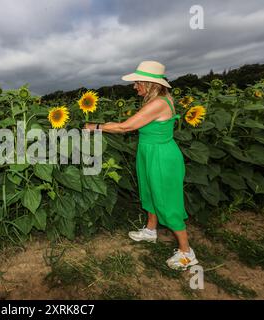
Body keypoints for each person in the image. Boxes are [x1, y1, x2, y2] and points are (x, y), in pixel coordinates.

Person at [84, 61, 198, 270]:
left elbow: (125, 127)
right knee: (149, 192)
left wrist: (95, 127)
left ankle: (186, 252)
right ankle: (150, 230)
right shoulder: (154, 100)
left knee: (167, 200)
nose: (135, 86)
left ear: (150, 83)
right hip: (149, 152)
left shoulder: (159, 103)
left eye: (137, 83)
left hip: (161, 157)